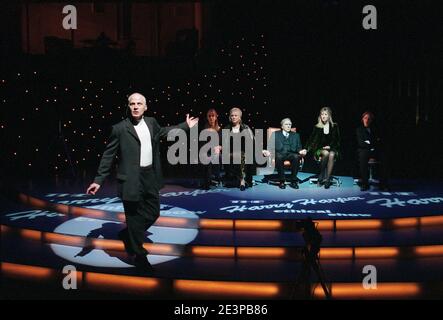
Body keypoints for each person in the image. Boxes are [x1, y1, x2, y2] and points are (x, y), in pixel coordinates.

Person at [86, 93, 198, 272]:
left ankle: (129, 234)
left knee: (153, 212)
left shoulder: (152, 122)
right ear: (128, 106)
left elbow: (164, 132)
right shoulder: (120, 128)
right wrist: (98, 180)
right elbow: (108, 155)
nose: (136, 106)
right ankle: (139, 254)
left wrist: (185, 126)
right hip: (130, 179)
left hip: (149, 176)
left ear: (145, 107)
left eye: (139, 103)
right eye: (132, 103)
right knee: (133, 216)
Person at [263, 118, 307, 189]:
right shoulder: (275, 134)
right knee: (279, 157)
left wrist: (301, 151)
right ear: (282, 126)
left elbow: (299, 148)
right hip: (280, 153)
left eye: (290, 124)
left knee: (296, 156)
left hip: (291, 154)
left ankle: (293, 181)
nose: (288, 126)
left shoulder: (296, 135)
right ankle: (282, 181)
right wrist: (267, 151)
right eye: (286, 124)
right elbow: (270, 147)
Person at [305, 107, 341, 189]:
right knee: (326, 153)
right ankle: (321, 174)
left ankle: (327, 179)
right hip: (319, 149)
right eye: (322, 114)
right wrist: (306, 149)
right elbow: (311, 140)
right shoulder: (317, 127)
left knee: (331, 154)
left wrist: (330, 146)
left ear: (329, 116)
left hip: (332, 148)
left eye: (325, 114)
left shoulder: (334, 126)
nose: (323, 116)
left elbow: (337, 140)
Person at [221, 107, 254, 191]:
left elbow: (253, 141)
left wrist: (261, 150)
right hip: (230, 152)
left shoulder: (245, 128)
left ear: (240, 117)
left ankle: (242, 180)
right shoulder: (226, 128)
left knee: (242, 155)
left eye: (236, 115)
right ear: (230, 117)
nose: (234, 117)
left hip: (244, 152)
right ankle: (240, 180)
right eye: (232, 115)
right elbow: (223, 144)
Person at [356, 111, 389, 191]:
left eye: (369, 119)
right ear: (362, 119)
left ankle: (383, 184)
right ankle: (364, 183)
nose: (367, 120)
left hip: (374, 150)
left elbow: (379, 141)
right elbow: (361, 143)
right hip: (364, 150)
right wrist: (372, 143)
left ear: (371, 120)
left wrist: (370, 142)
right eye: (365, 118)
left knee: (384, 157)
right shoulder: (359, 129)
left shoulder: (375, 129)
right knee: (362, 157)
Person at [201, 108, 222, 189]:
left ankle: (217, 178)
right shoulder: (204, 129)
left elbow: (224, 144)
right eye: (209, 116)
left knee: (217, 156)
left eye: (213, 116)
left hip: (217, 152)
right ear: (207, 117)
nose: (211, 118)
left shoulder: (220, 129)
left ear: (216, 117)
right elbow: (202, 144)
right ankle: (207, 180)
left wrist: (220, 147)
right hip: (207, 151)